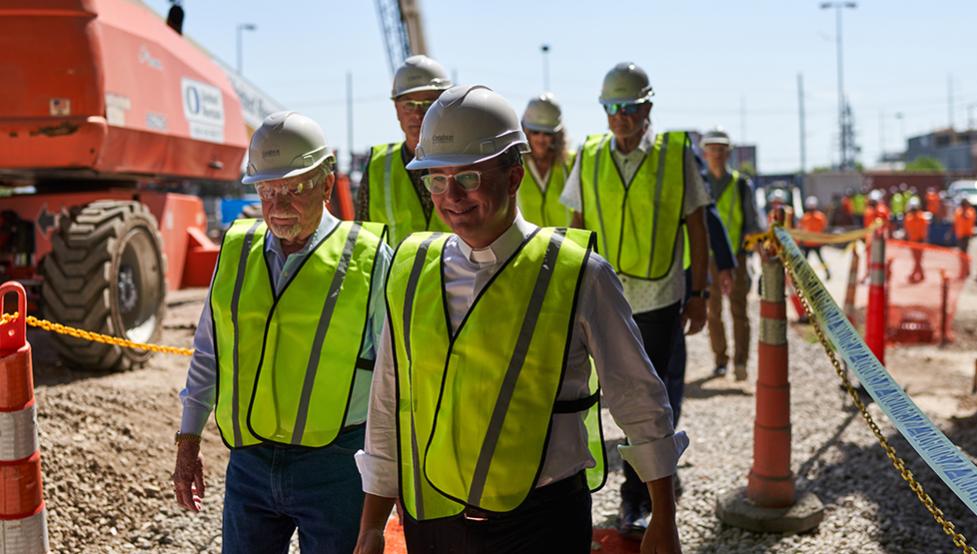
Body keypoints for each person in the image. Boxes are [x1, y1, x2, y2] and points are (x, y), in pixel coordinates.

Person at [353, 84, 686, 554]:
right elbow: (388, 403)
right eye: (436, 179)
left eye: (468, 177)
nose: (452, 196)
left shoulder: (580, 275)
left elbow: (638, 398)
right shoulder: (411, 270)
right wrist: (371, 524)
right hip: (433, 519)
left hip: (541, 524)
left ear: (513, 176)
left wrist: (664, 518)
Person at [172, 112, 391, 553]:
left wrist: (388, 483)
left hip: (337, 464)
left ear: (327, 184)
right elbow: (208, 354)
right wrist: (189, 439)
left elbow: (394, 380)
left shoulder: (369, 258)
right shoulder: (237, 251)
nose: (278, 204)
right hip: (249, 464)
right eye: (268, 190)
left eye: (294, 188)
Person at [559, 62, 710, 537]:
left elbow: (697, 225)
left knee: (650, 397)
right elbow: (578, 224)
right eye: (611, 108)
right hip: (606, 293)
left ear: (647, 107)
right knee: (610, 395)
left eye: (628, 107)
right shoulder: (590, 154)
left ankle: (637, 497)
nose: (620, 117)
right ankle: (653, 474)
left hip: (660, 293)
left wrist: (700, 291)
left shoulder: (675, 154)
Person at [357, 55, 453, 248]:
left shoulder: (468, 160)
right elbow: (363, 241)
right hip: (397, 278)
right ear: (396, 109)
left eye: (428, 104)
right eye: (409, 104)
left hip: (458, 277)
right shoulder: (378, 165)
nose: (418, 114)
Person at [700, 128, 762, 380]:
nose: (716, 154)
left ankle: (741, 362)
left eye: (720, 149)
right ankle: (720, 360)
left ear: (728, 153)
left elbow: (752, 224)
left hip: (735, 256)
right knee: (712, 312)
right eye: (712, 149)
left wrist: (756, 254)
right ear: (705, 153)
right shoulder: (700, 185)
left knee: (739, 311)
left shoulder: (740, 184)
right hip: (708, 257)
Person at [518, 93, 572, 226]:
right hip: (526, 246)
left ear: (557, 135)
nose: (541, 139)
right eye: (535, 131)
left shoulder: (572, 164)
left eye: (547, 133)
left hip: (564, 245)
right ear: (525, 131)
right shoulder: (513, 165)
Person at [798, 195, 832, 280]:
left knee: (816, 260)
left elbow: (801, 229)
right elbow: (824, 229)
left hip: (813, 242)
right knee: (810, 260)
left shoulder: (809, 217)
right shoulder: (816, 217)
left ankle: (827, 273)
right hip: (811, 243)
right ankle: (827, 273)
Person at [903, 198, 929, 283]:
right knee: (916, 259)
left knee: (918, 259)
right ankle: (920, 274)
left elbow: (924, 231)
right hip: (912, 242)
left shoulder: (922, 218)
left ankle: (914, 274)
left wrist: (922, 239)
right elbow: (907, 230)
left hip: (919, 242)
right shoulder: (908, 218)